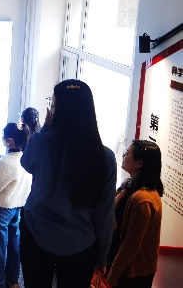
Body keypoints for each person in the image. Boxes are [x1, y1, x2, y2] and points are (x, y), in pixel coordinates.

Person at [20, 79, 116, 288]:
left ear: (57, 112)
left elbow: (26, 163)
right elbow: (105, 214)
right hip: (81, 245)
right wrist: (102, 256)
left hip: (36, 233)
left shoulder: (39, 141)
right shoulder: (105, 157)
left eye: (52, 105)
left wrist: (46, 127)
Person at [0, 123, 32, 288]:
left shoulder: (7, 162)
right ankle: (12, 280)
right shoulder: (26, 159)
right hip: (17, 206)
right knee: (13, 243)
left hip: (2, 207)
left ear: (9, 141)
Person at [106, 140, 163, 288]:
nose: (124, 156)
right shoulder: (129, 185)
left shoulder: (142, 199)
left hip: (131, 274)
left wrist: (113, 275)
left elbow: (131, 246)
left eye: (127, 153)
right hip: (121, 265)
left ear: (139, 163)